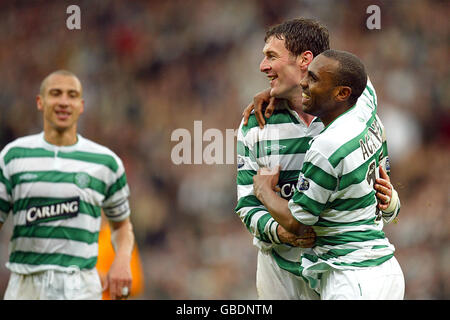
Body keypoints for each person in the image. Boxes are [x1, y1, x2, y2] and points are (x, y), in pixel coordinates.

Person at [235, 19, 399, 300]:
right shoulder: (255, 125)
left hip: (338, 269)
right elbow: (247, 204)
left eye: (271, 57)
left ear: (305, 60)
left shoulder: (354, 105)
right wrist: (280, 231)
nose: (262, 66)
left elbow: (376, 184)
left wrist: (391, 202)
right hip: (281, 272)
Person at [0, 70, 135, 300]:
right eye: (56, 93)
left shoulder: (106, 163)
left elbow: (122, 226)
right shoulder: (13, 156)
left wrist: (122, 260)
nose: (64, 102)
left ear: (81, 105)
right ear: (40, 102)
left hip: (80, 285)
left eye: (72, 95)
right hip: (26, 283)